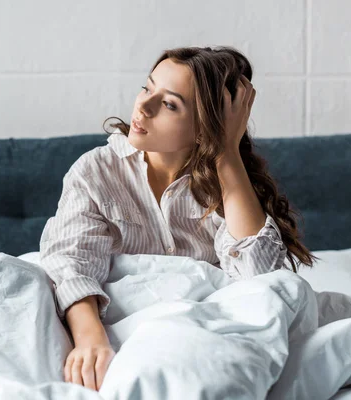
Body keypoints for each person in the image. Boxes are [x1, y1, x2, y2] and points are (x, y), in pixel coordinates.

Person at [38, 46, 317, 392]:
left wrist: (226, 152)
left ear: (204, 128)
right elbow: (71, 264)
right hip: (111, 325)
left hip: (198, 336)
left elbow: (261, 281)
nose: (144, 106)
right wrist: (90, 341)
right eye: (147, 87)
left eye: (169, 104)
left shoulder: (230, 187)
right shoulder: (97, 170)